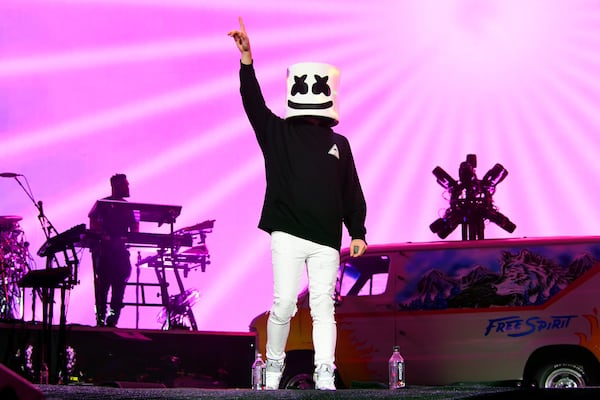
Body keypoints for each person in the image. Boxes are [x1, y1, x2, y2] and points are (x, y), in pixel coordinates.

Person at [228, 17, 367, 390]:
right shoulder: (279, 133)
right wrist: (246, 63)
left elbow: (351, 189)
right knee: (285, 304)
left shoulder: (340, 143)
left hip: (325, 240)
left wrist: (358, 231)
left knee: (324, 308)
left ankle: (325, 371)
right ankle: (273, 367)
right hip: (288, 234)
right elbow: (253, 105)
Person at [89, 174, 139, 327]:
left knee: (118, 285)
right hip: (105, 252)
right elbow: (93, 223)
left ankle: (111, 320)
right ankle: (102, 319)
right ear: (116, 186)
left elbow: (135, 229)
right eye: (125, 185)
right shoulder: (102, 204)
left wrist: (123, 238)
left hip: (119, 252)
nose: (128, 187)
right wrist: (106, 238)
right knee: (103, 286)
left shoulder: (127, 206)